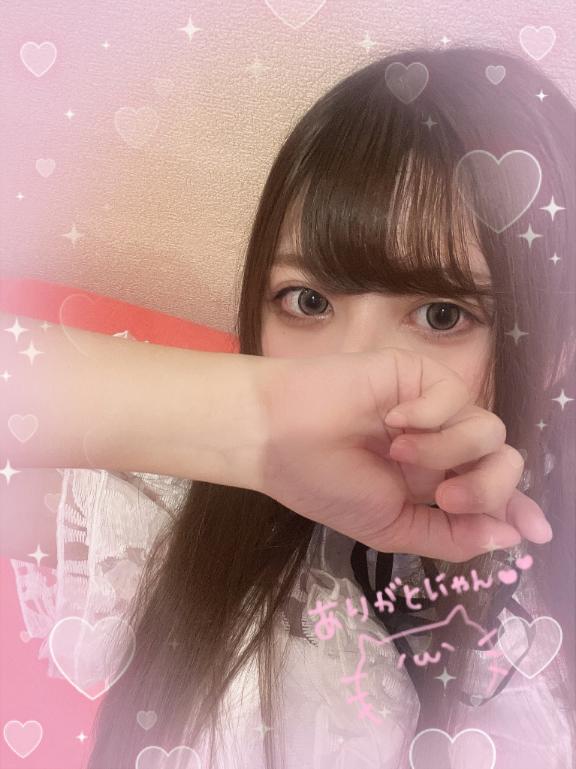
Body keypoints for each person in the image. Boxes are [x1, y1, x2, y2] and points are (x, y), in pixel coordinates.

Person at [3, 43, 575, 769]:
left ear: (559, 346)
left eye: (441, 314)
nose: (351, 373)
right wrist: (260, 425)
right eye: (306, 301)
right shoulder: (164, 515)